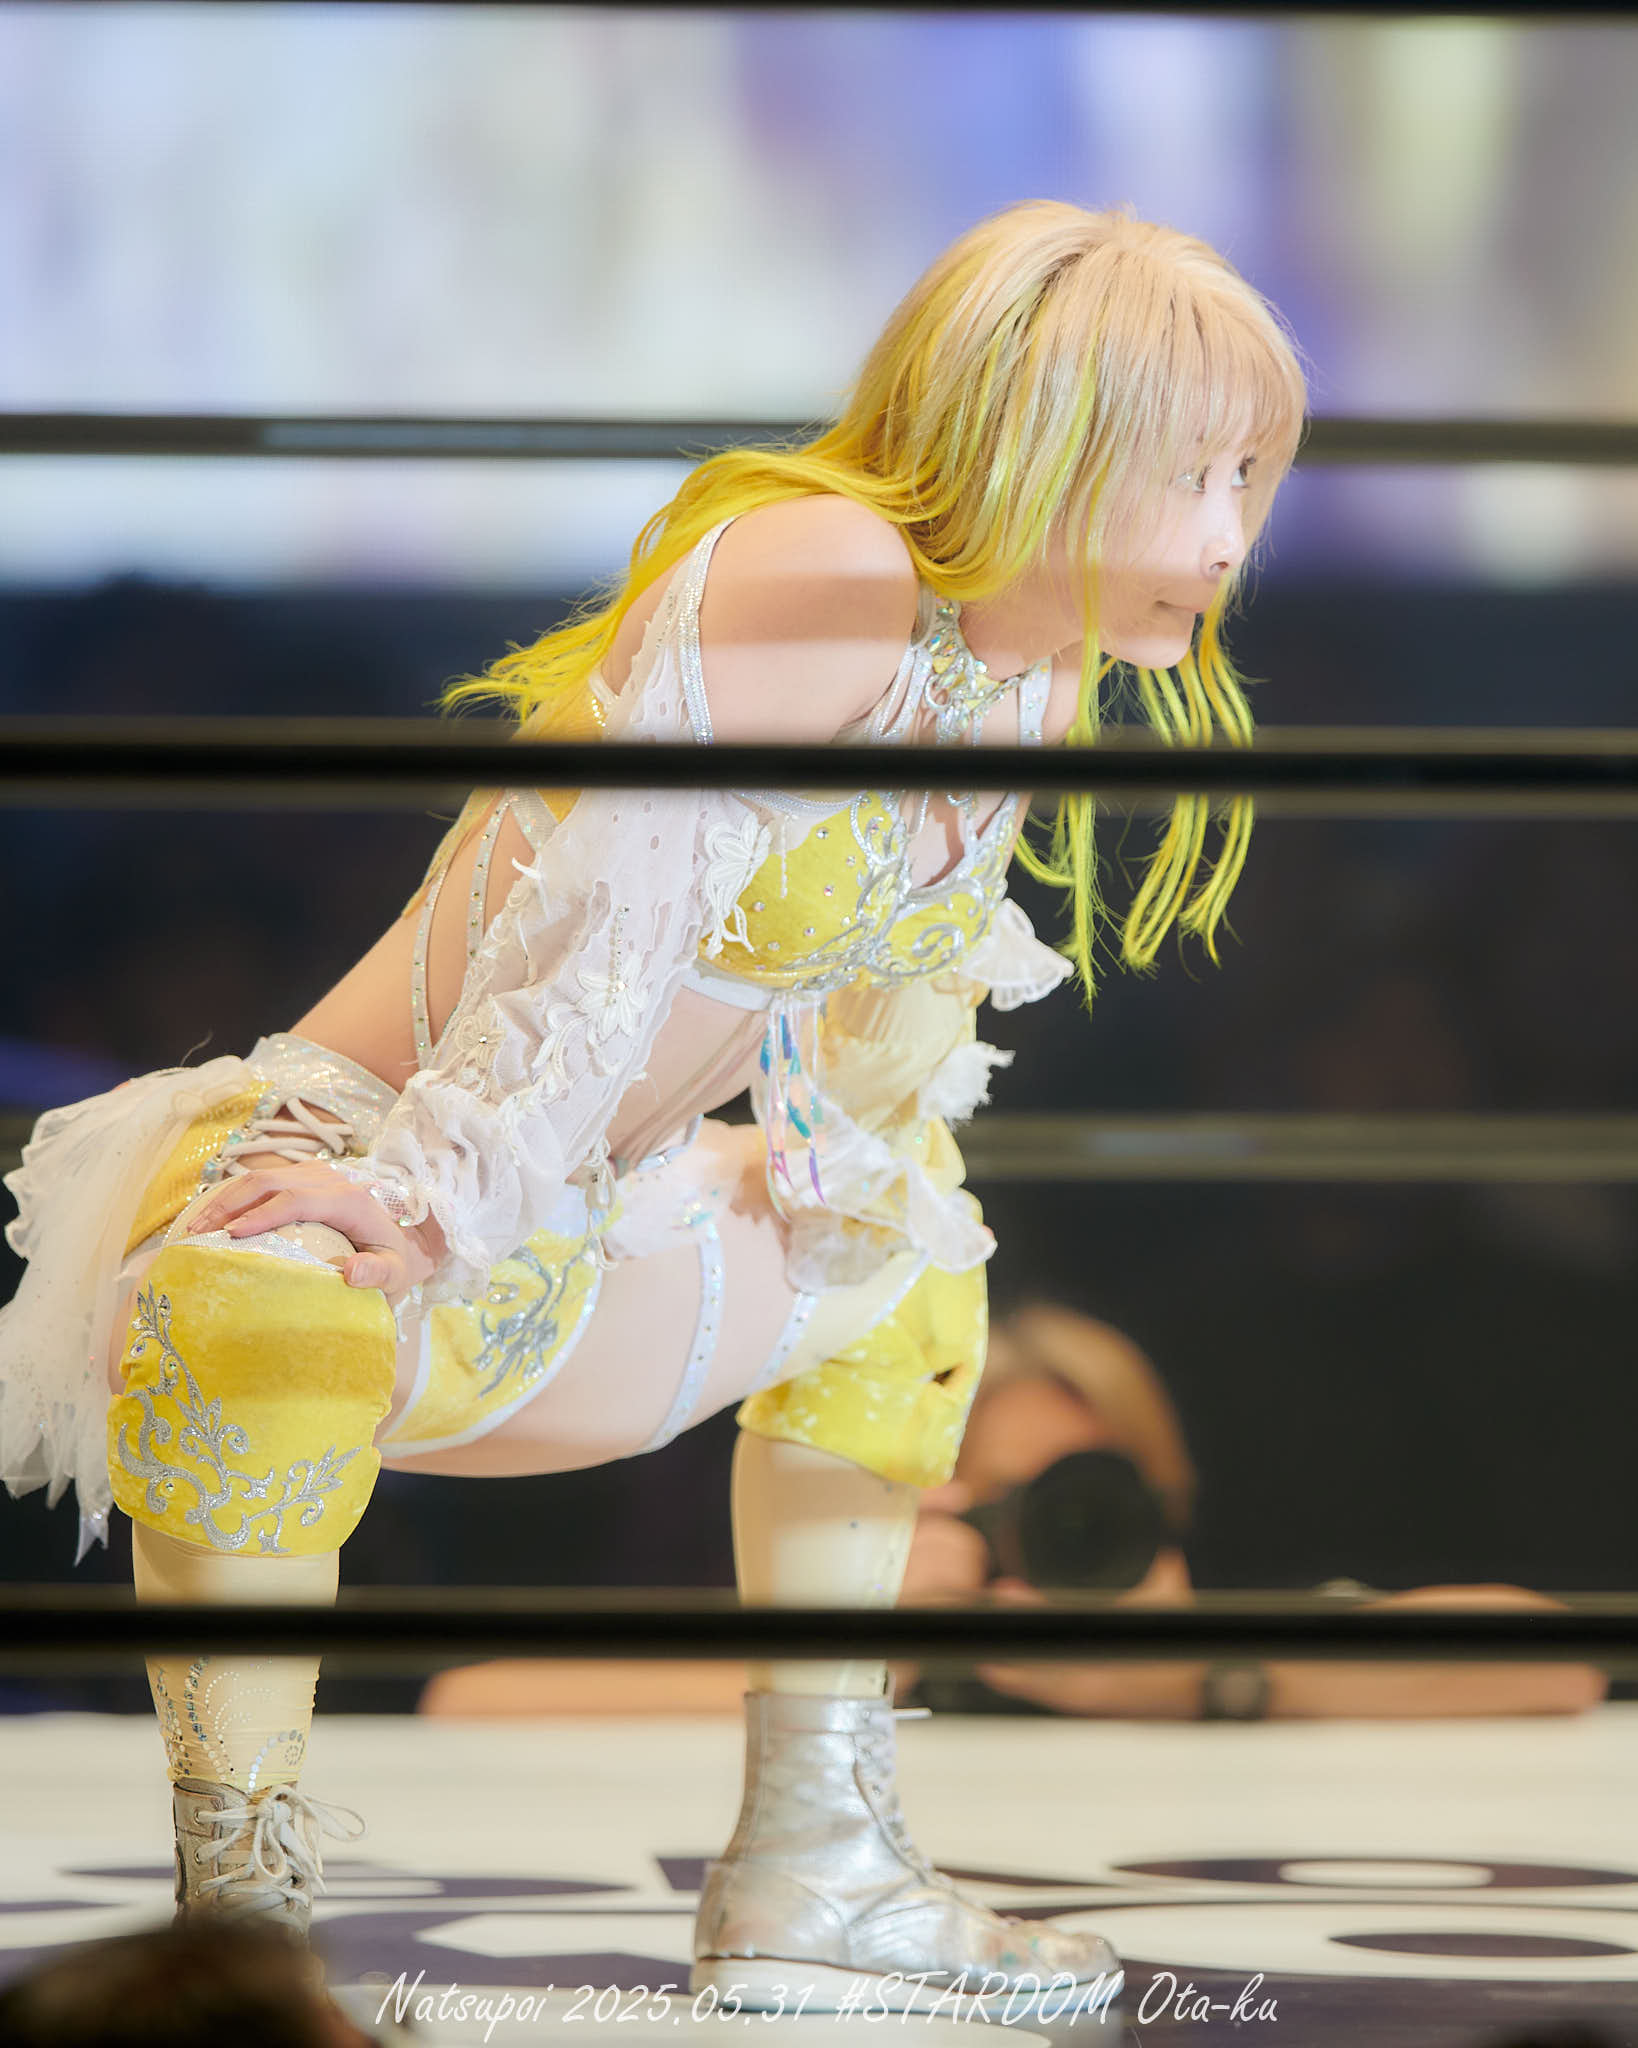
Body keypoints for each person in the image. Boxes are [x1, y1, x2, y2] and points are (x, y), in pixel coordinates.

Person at [0, 200, 1306, 2016]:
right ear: (1041, 444)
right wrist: (426, 1195)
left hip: (588, 1220)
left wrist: (805, 1162)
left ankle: (817, 1867)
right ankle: (242, 1947)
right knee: (252, 1305)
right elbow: (598, 924)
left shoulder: (1026, 663)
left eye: (1249, 476)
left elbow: (872, 1019)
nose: (1230, 536)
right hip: (378, 1151)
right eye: (1193, 473)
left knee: (906, 1238)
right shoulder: (819, 565)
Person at [423, 1301, 1604, 1722]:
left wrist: (1202, 1673)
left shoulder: (1223, 1650)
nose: (1046, 1531)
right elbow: (475, 1700)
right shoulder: (875, 1653)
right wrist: (853, 1660)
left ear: (1155, 1503)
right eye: (998, 1499)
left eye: (1080, 1498)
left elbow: (1554, 1662)